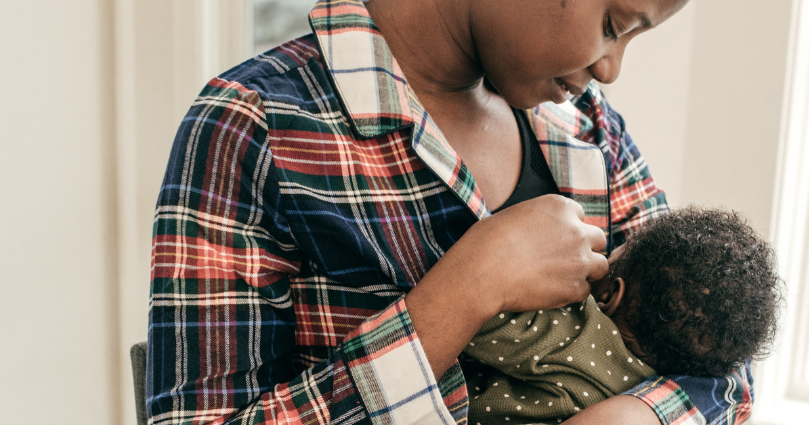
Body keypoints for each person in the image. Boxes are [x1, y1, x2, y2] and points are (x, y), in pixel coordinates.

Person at [146, 0, 754, 424]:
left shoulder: (593, 137)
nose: (610, 69)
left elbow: (722, 353)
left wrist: (636, 416)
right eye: (613, 24)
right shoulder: (255, 127)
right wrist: (468, 288)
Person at [463, 207, 781, 425]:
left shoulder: (568, 329)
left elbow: (478, 321)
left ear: (611, 295)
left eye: (620, 247)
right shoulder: (662, 384)